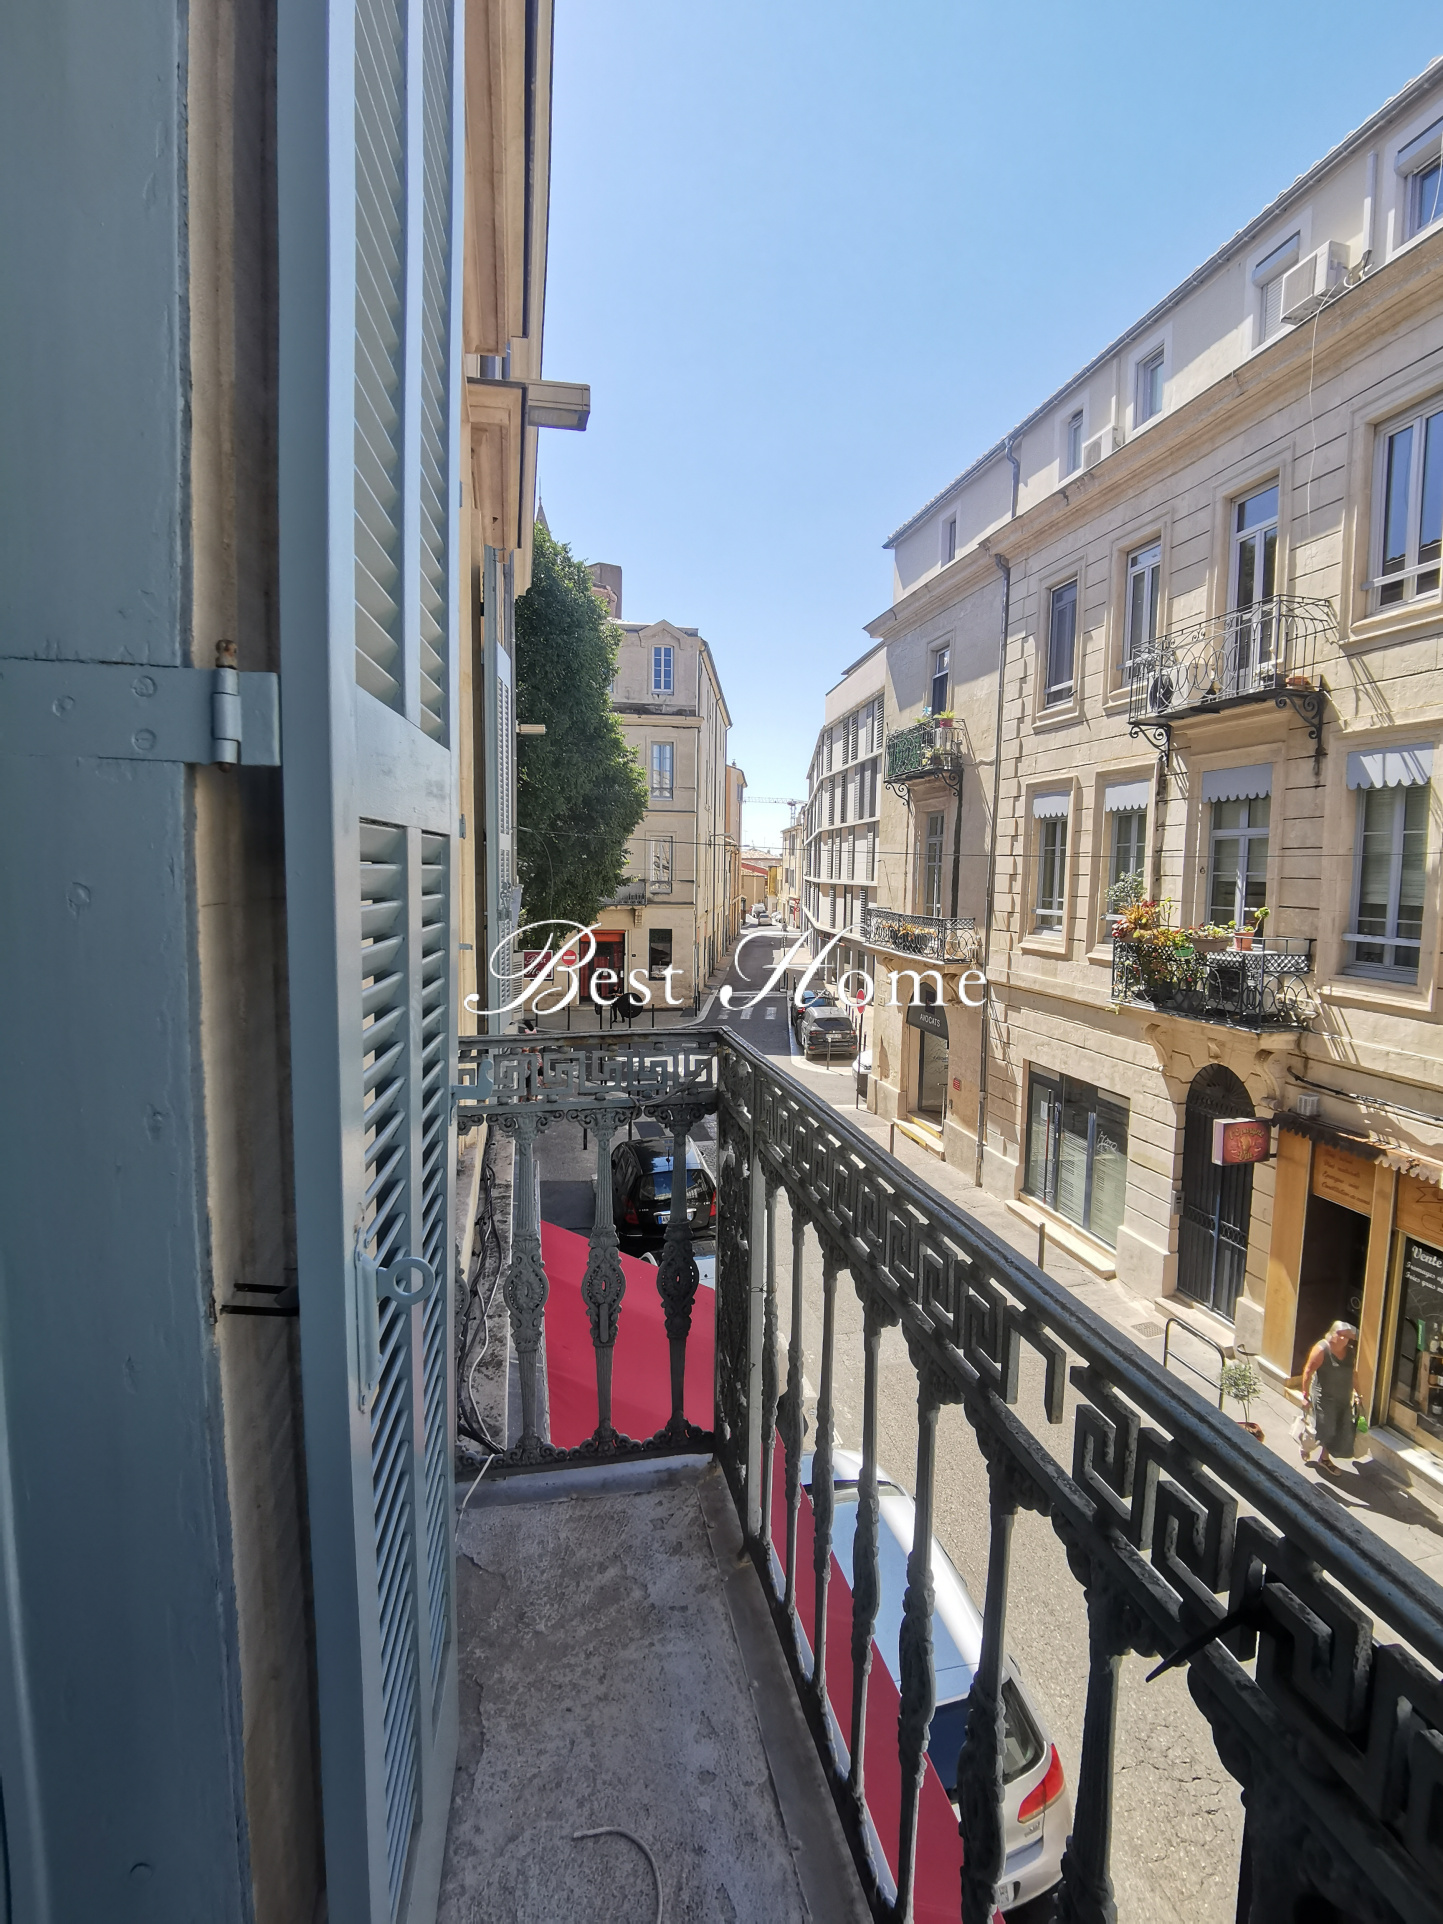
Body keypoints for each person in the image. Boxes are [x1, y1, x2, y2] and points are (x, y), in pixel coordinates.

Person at [1299, 1321, 1359, 1471]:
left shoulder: (1350, 1352)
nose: (1344, 1339)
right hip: (1324, 1397)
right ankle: (1306, 1445)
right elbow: (1308, 1371)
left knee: (1338, 1429)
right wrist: (1305, 1396)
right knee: (1325, 1428)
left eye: (1347, 1337)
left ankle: (1324, 1458)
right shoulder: (1322, 1349)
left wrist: (1358, 1393)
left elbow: (1353, 1374)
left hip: (1343, 1397)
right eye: (1341, 1335)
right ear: (1332, 1334)